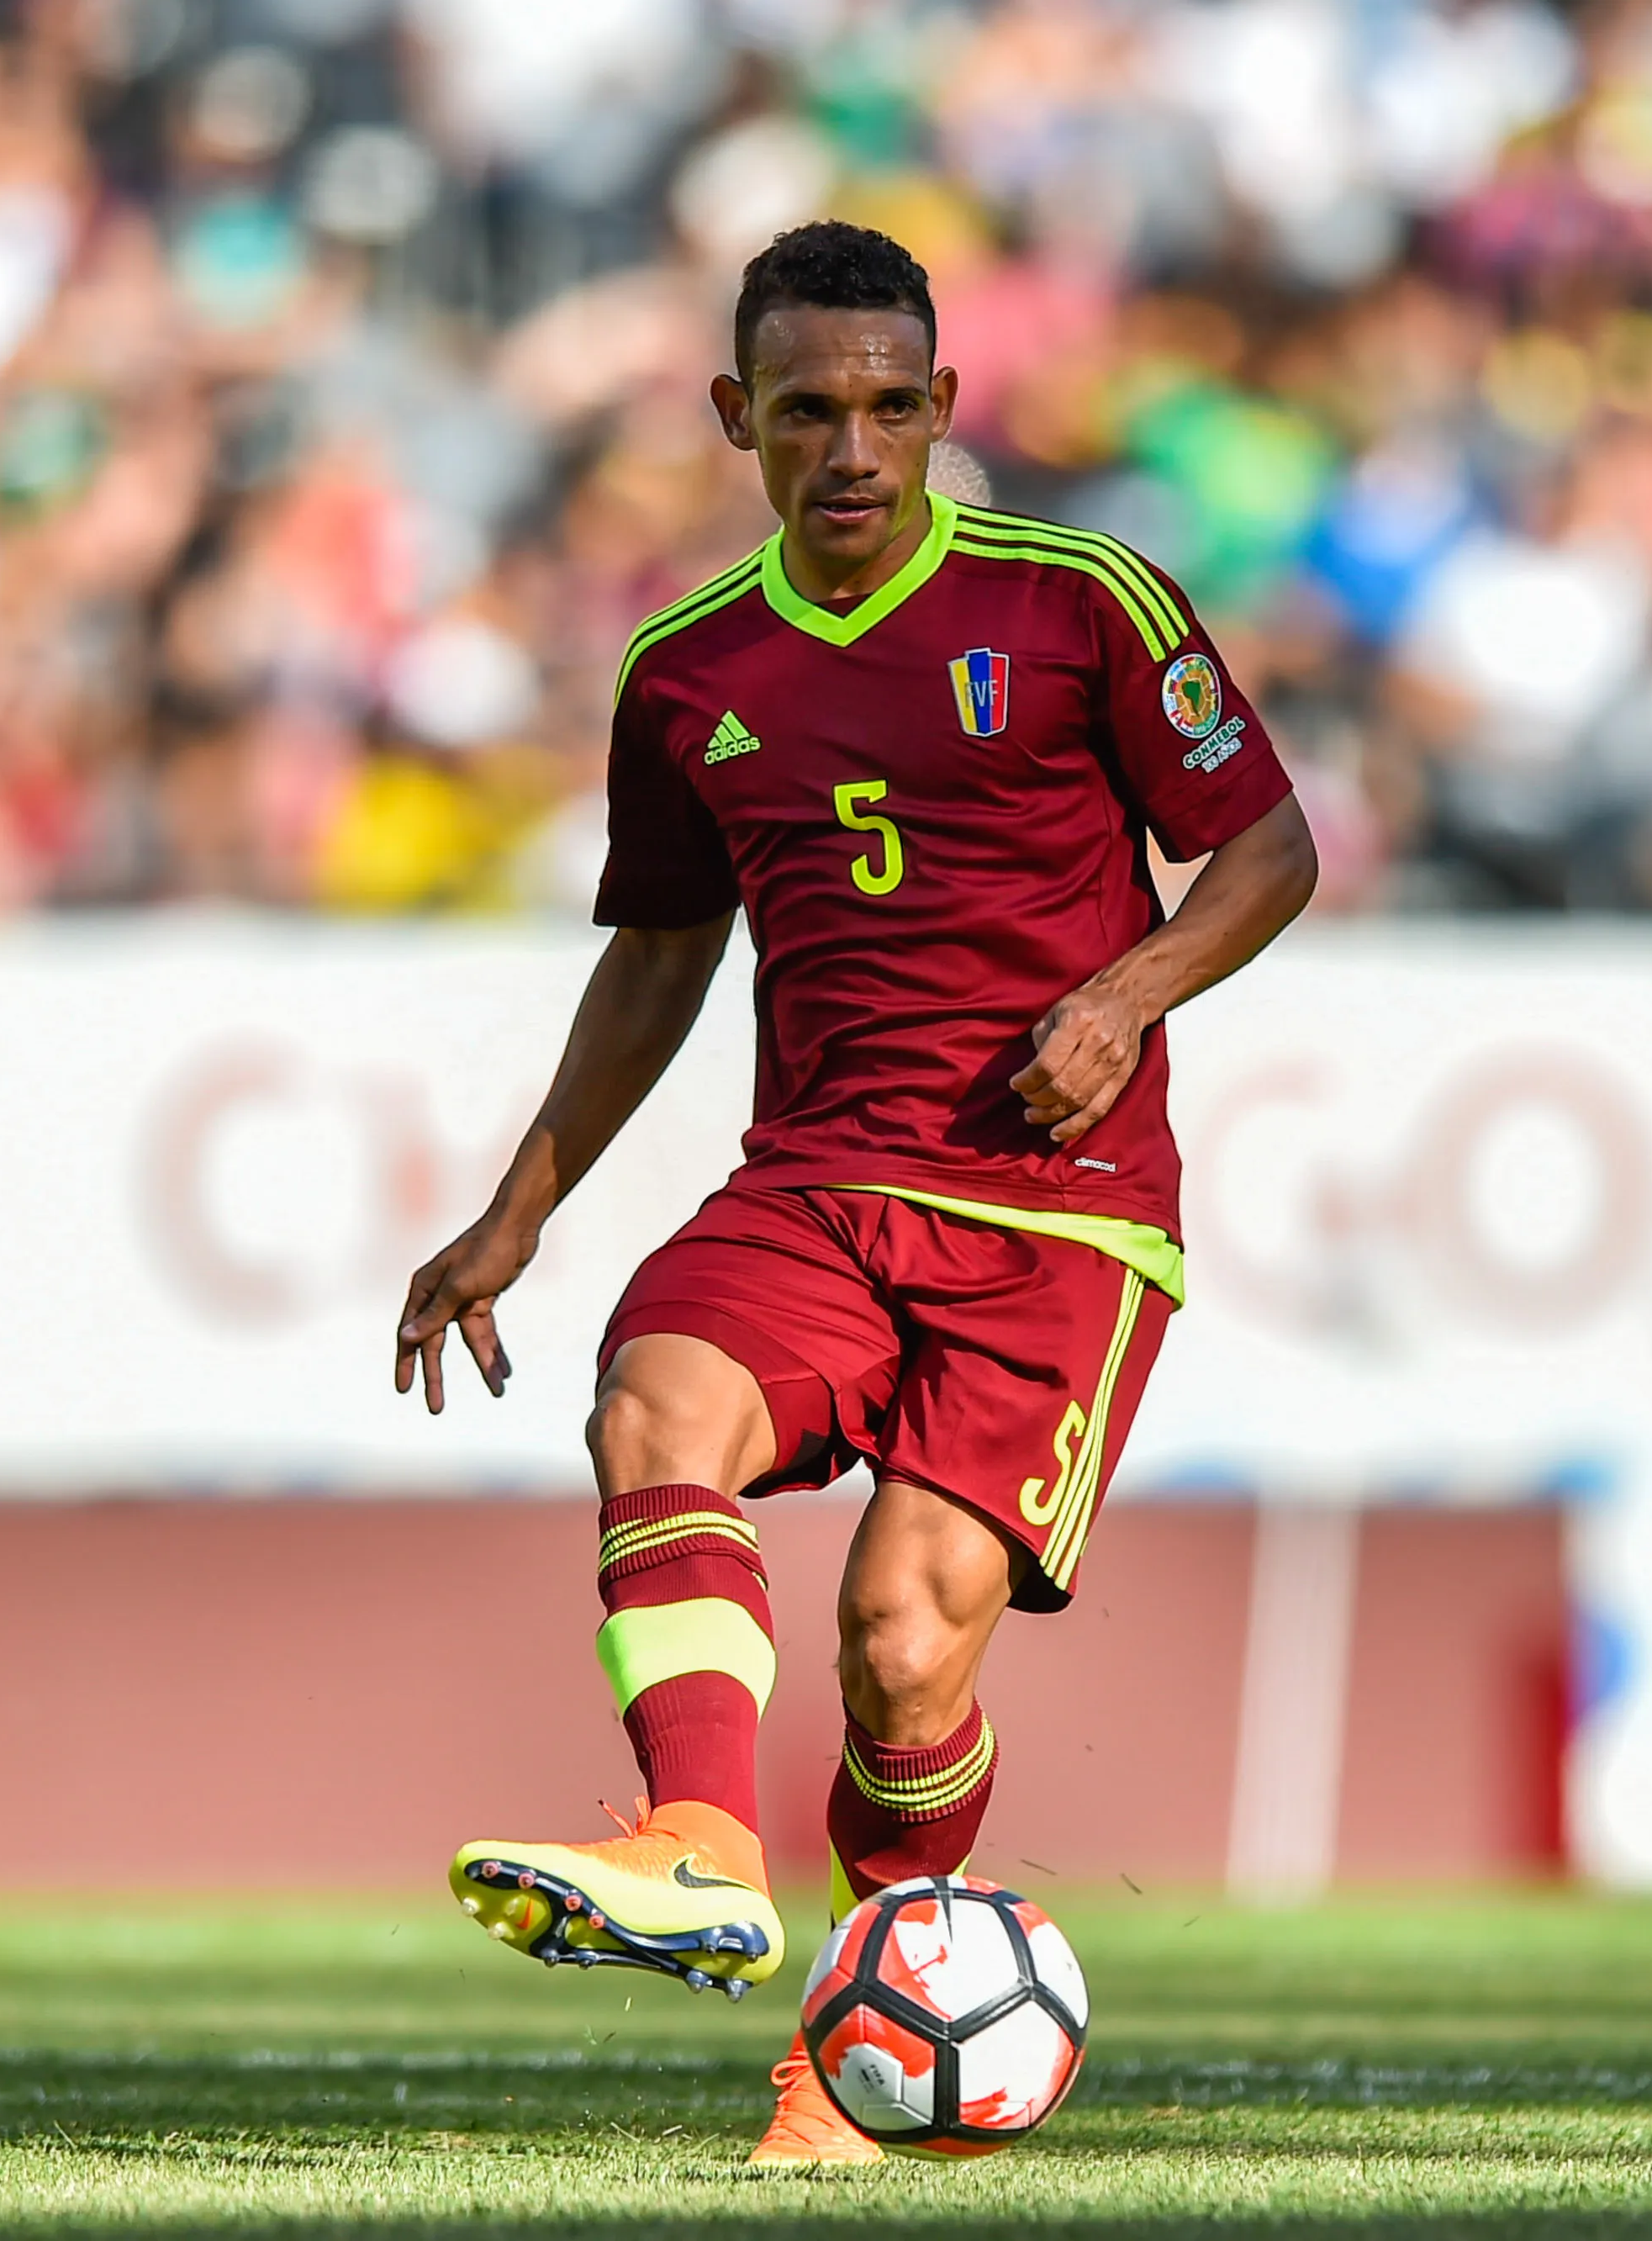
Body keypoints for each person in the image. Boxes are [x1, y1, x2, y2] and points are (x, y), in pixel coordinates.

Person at [392, 220, 1317, 2164]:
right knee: (651, 1396)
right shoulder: (686, 673)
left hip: (1057, 1212)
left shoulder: (1079, 602)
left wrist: (1125, 993)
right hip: (813, 1178)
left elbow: (1264, 849)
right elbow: (658, 955)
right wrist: (519, 1209)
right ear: (737, 418)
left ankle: (843, 2032)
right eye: (806, 410)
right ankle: (699, 1838)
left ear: (943, 408)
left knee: (905, 1647)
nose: (853, 447)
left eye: (891, 405)